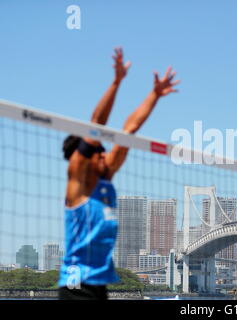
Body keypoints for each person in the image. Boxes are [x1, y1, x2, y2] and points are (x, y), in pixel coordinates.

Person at [58, 48, 179, 300]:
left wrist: (154, 95)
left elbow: (129, 130)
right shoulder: (78, 184)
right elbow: (95, 125)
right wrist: (116, 82)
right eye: (99, 150)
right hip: (76, 283)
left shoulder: (106, 177)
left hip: (99, 283)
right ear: (81, 159)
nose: (105, 154)